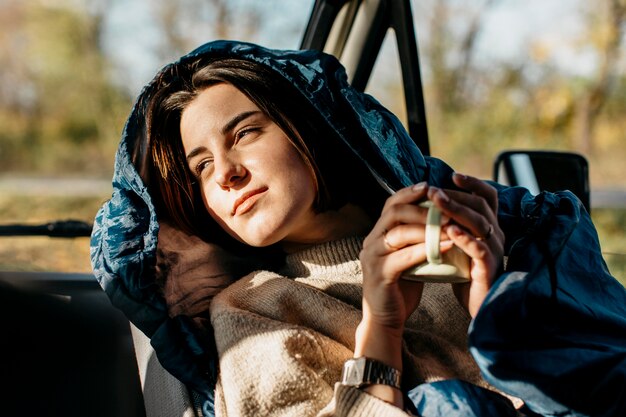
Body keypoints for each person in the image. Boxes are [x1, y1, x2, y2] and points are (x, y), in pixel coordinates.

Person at [91, 41, 626, 417]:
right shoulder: (253, 310)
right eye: (201, 166)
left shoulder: (466, 240)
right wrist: (381, 329)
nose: (226, 173)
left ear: (311, 128)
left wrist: (498, 308)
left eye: (246, 132)